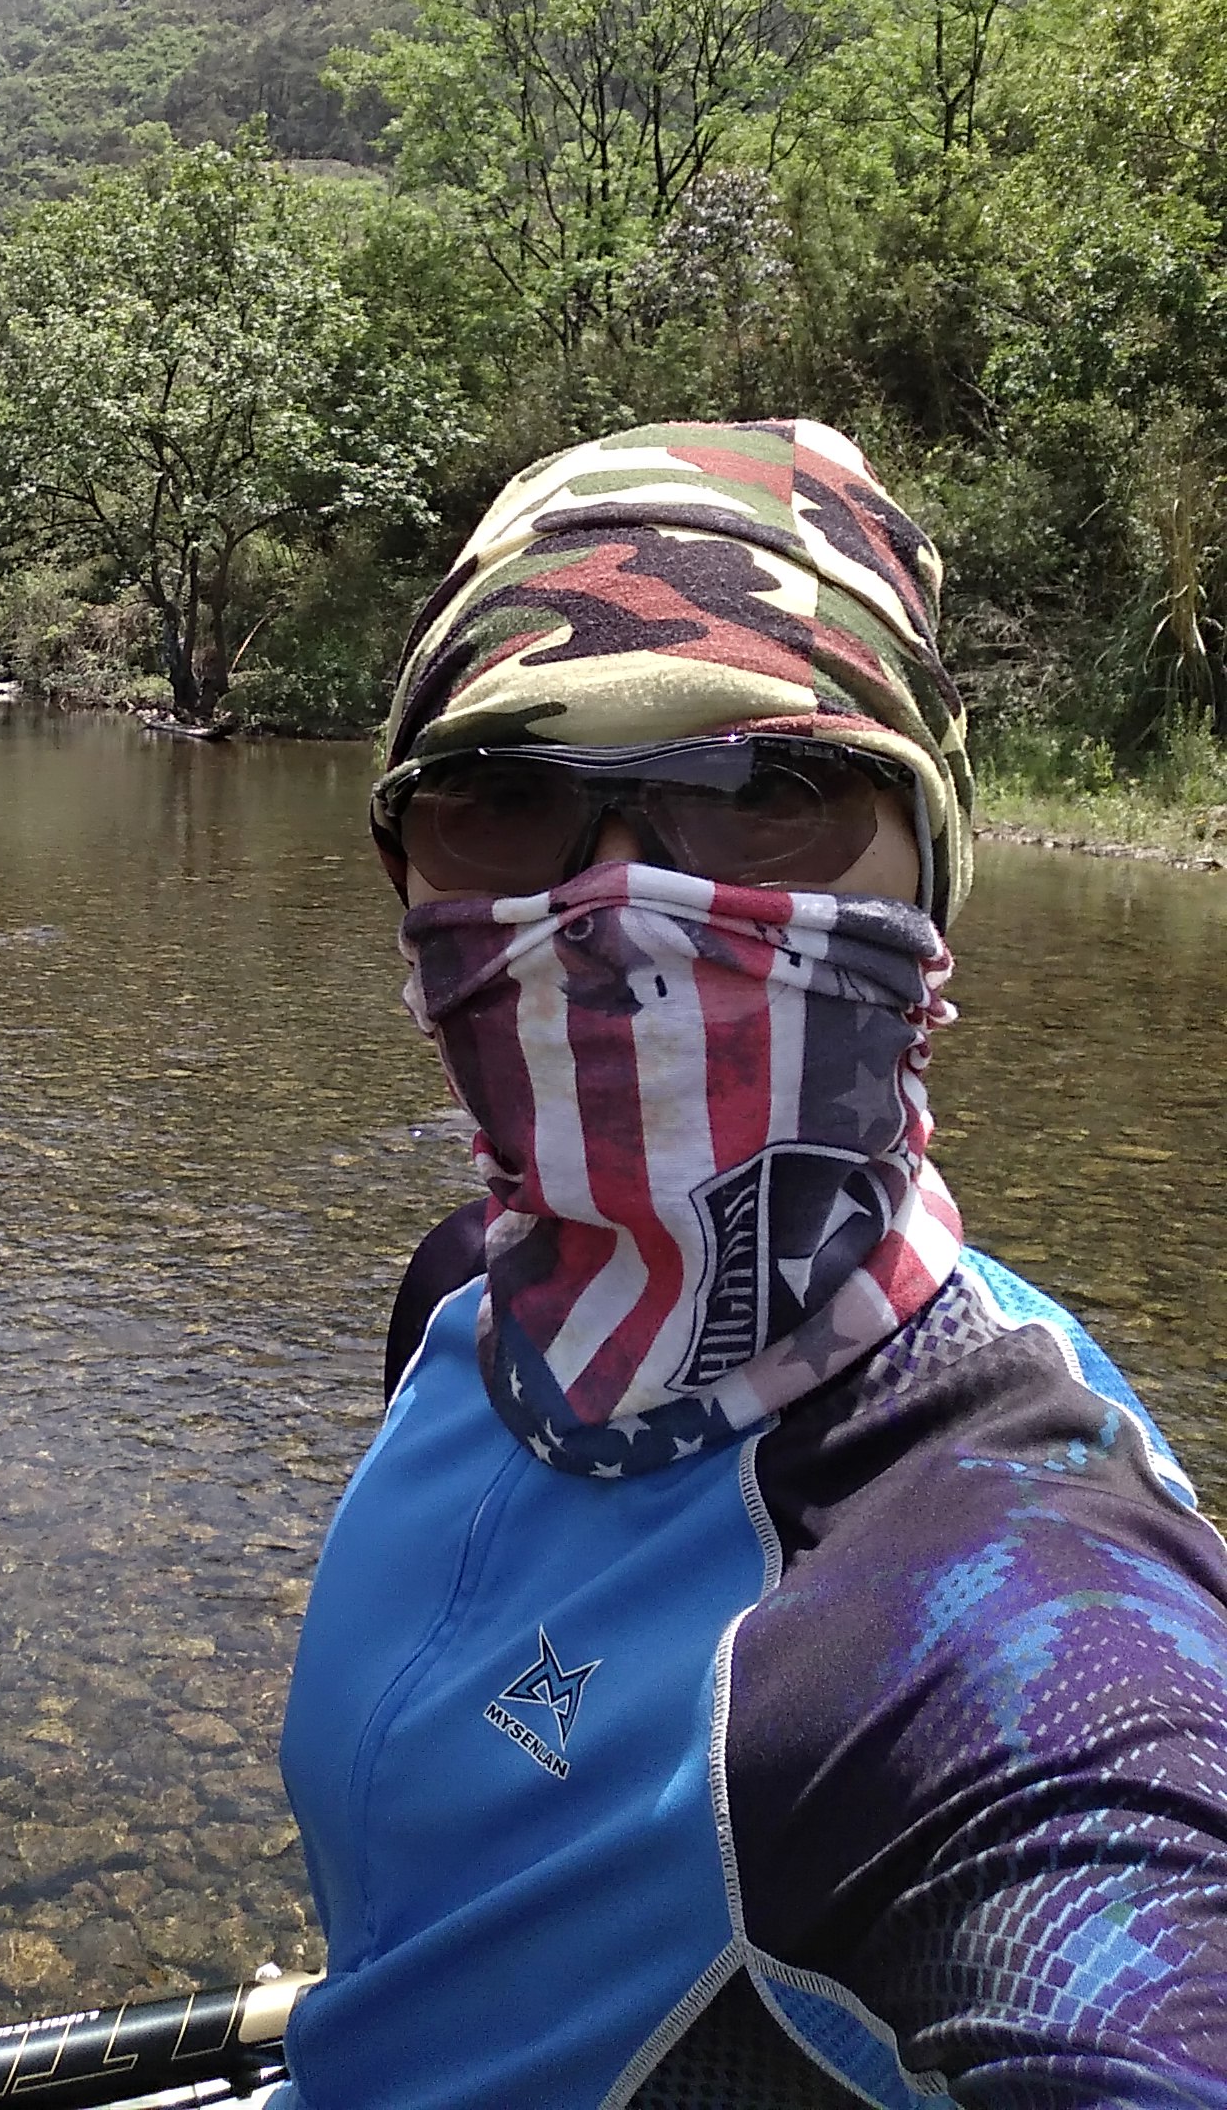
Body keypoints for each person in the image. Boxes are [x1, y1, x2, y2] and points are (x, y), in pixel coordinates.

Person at [269, 420, 1227, 2109]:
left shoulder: (1004, 1599)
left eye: (768, 792)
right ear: (403, 868)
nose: (622, 899)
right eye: (505, 797)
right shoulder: (462, 1303)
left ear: (931, 871)